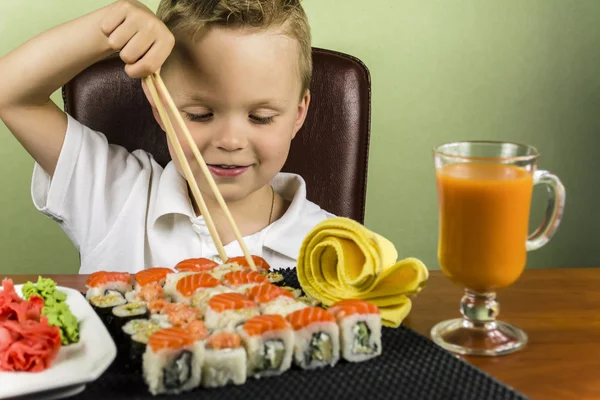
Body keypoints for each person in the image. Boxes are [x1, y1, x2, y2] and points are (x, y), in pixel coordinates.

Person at [0, 0, 333, 273]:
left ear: (299, 113)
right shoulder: (115, 195)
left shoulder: (334, 246)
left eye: (260, 118)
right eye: (199, 115)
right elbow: (9, 92)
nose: (230, 141)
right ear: (160, 106)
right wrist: (110, 24)